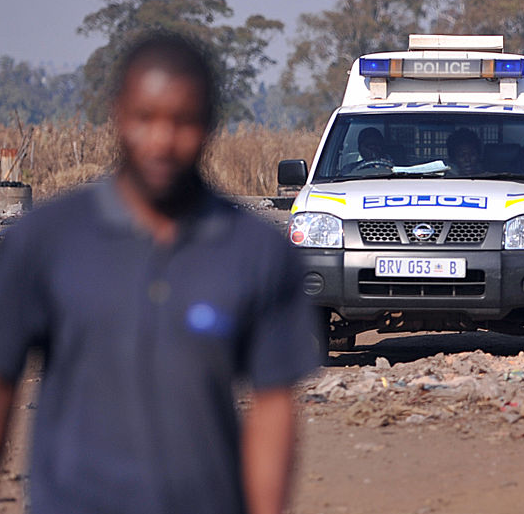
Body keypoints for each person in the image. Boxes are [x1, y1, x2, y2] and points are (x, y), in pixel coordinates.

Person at [0, 33, 318, 514]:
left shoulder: (256, 251)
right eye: (145, 119)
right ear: (118, 114)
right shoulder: (47, 240)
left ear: (210, 123)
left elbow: (274, 408)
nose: (162, 140)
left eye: (183, 122)